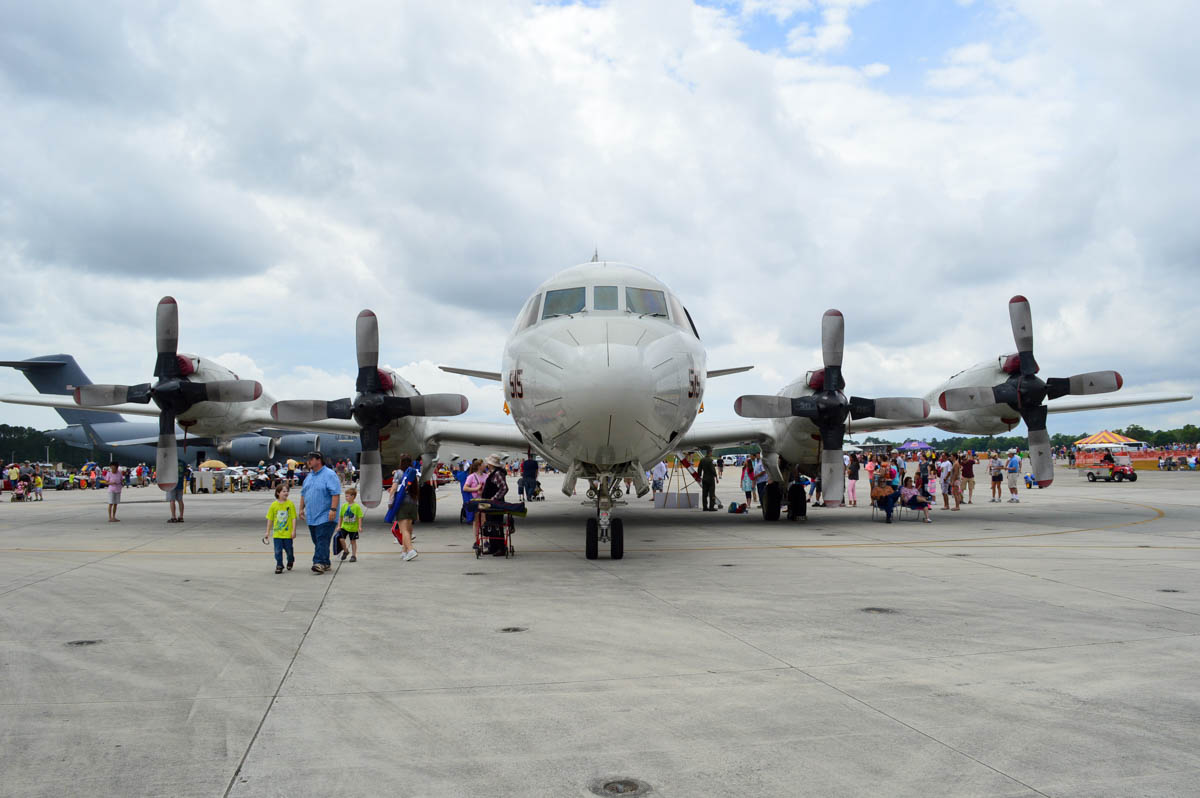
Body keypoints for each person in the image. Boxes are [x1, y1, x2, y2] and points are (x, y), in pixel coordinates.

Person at [298, 452, 341, 573]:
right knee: (318, 541)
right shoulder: (309, 476)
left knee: (322, 538)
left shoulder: (329, 475)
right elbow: (303, 493)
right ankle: (326, 562)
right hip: (312, 515)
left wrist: (333, 509)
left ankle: (319, 562)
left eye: (311, 459)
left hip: (326, 515)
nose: (309, 462)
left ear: (319, 460)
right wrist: (301, 508)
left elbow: (335, 493)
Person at [388, 455, 420, 561]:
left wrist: (390, 502)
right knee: (409, 529)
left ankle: (411, 550)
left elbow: (393, 489)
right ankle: (404, 551)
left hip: (402, 503)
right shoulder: (413, 473)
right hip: (413, 502)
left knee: (403, 529)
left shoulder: (399, 472)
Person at [265, 483, 298, 573]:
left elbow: (293, 518)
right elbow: (270, 519)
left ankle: (290, 560)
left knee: (289, 550)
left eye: (287, 491)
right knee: (277, 551)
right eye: (283, 491)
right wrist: (267, 532)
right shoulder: (273, 505)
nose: (286, 493)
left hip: (287, 534)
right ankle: (279, 565)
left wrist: (293, 531)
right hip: (277, 534)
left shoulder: (290, 504)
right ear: (278, 493)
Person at [337, 486, 365, 562]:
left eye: (347, 496)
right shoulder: (344, 506)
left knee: (353, 541)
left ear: (353, 497)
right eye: (345, 496)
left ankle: (354, 555)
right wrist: (339, 525)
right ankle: (345, 551)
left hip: (353, 528)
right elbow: (341, 516)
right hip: (344, 526)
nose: (346, 498)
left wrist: (359, 526)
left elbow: (359, 517)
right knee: (341, 539)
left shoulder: (356, 507)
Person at [463, 459, 487, 541]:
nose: (485, 465)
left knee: (484, 519)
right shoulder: (471, 477)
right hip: (475, 500)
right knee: (476, 520)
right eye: (483, 464)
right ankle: (477, 540)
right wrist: (476, 489)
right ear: (479, 466)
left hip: (484, 499)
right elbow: (465, 488)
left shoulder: (486, 476)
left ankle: (486, 539)